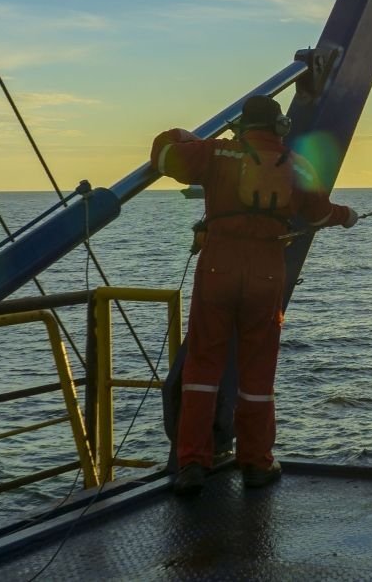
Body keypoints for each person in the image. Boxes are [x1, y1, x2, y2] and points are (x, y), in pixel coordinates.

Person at [150, 95, 357, 495]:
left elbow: (164, 158)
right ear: (281, 126)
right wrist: (347, 216)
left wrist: (181, 134)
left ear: (242, 127)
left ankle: (192, 463)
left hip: (218, 267)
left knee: (202, 368)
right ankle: (257, 463)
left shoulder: (215, 152)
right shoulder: (298, 165)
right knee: (258, 373)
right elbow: (317, 214)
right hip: (267, 271)